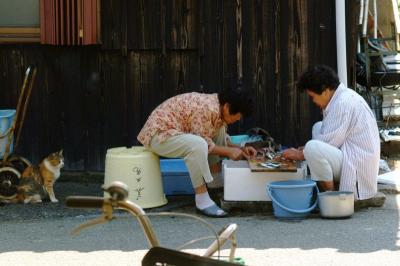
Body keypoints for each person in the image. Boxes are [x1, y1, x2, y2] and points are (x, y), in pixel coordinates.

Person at [137, 87, 257, 217]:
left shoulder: (217, 108)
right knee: (197, 145)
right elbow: (202, 143)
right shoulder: (206, 108)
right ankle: (202, 199)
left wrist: (240, 148)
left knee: (219, 130)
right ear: (227, 107)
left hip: (172, 133)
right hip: (159, 136)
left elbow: (210, 136)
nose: (238, 119)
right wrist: (229, 152)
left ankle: (214, 184)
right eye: (238, 115)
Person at [282, 65, 380, 200]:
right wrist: (303, 151)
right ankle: (331, 190)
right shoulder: (341, 98)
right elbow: (329, 138)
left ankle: (331, 196)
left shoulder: (342, 103)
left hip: (357, 168)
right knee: (318, 127)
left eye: (313, 96)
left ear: (326, 91)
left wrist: (299, 154)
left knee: (312, 148)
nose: (313, 101)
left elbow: (328, 143)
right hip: (353, 155)